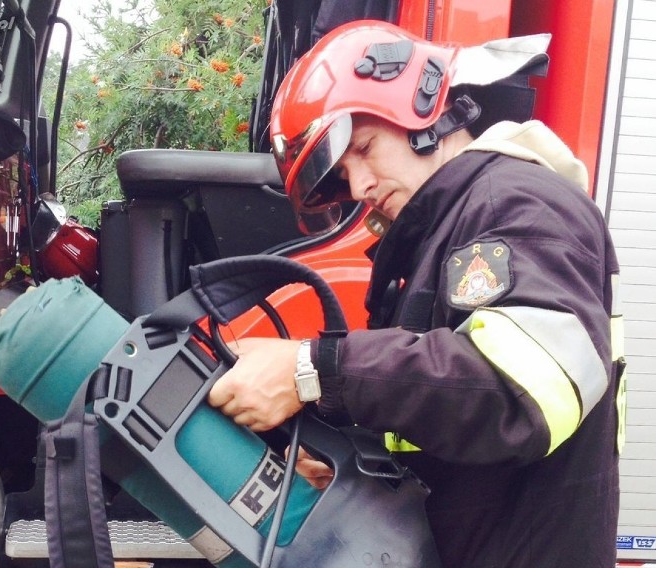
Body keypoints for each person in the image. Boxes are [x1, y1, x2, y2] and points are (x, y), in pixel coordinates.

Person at [207, 21, 624, 567]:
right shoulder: (445, 231)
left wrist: (311, 370)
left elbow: (517, 390)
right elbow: (440, 421)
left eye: (364, 148)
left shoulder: (517, 203)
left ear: (424, 111)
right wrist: (348, 469)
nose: (359, 188)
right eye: (342, 175)